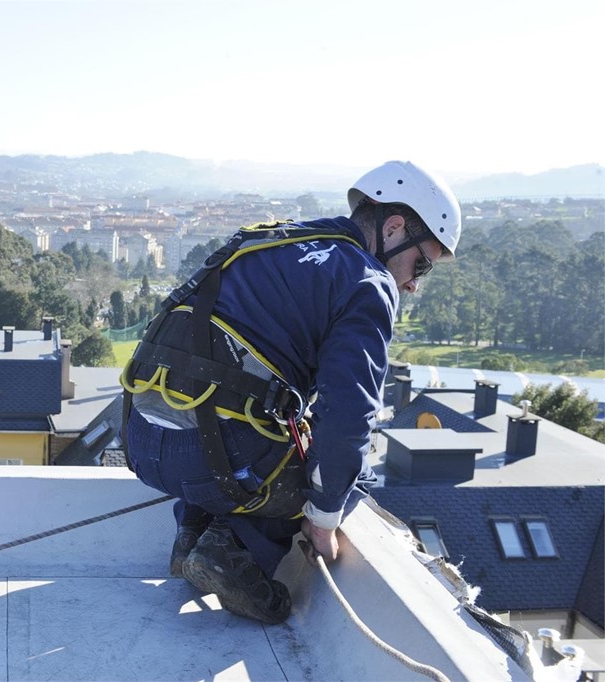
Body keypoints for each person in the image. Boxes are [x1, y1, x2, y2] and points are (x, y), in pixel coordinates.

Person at [121, 160, 461, 624]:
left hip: (140, 442)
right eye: (421, 263)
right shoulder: (366, 280)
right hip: (212, 460)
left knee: (230, 412)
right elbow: (348, 417)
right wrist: (323, 519)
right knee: (337, 472)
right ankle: (231, 552)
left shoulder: (267, 237)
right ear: (395, 226)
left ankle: (192, 534)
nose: (415, 284)